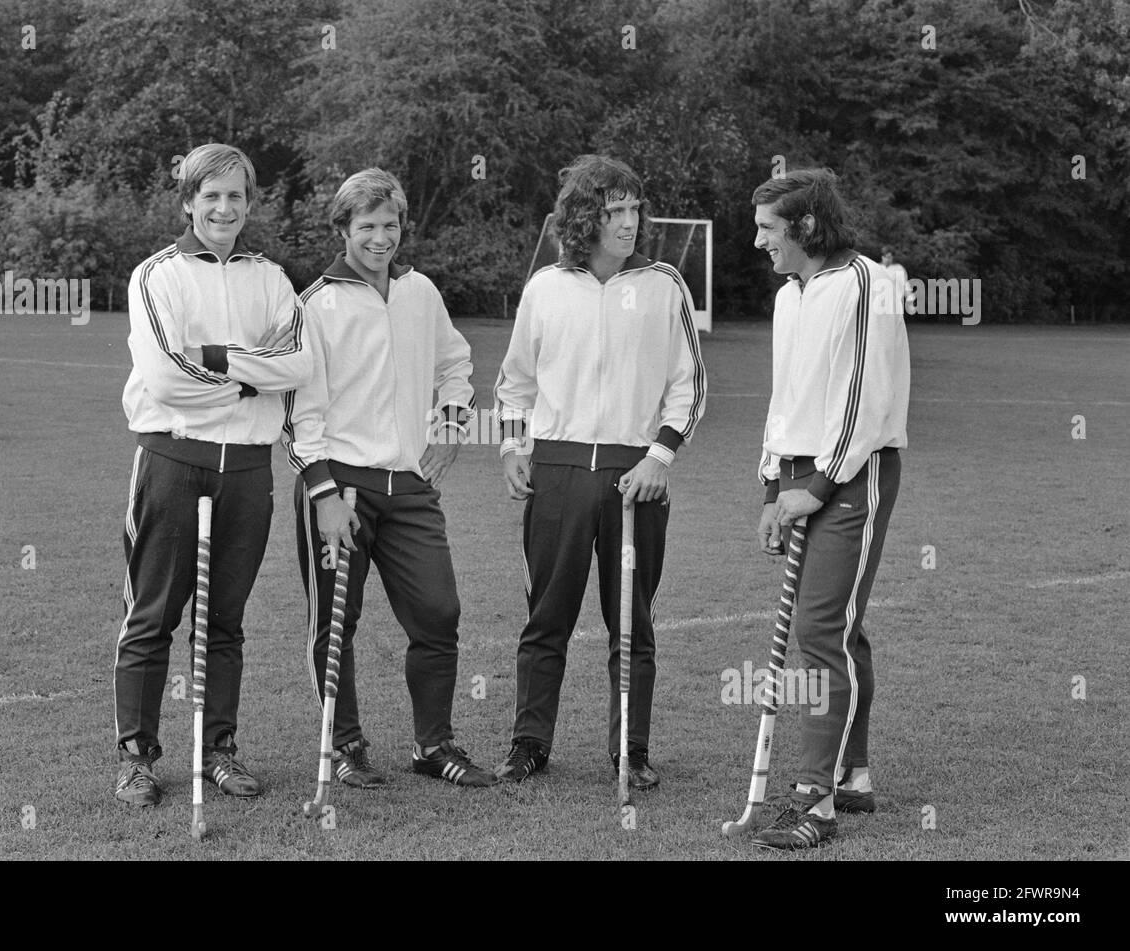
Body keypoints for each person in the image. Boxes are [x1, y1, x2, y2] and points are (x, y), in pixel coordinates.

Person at [491, 154, 706, 788]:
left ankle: (630, 752)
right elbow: (514, 383)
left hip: (634, 476)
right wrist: (511, 447)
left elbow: (687, 385)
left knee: (632, 620)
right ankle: (529, 745)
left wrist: (659, 456)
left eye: (634, 209)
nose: (629, 222)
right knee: (546, 616)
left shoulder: (665, 286)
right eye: (614, 211)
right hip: (557, 471)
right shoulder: (545, 288)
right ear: (584, 218)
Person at [112, 143, 313, 806]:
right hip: (175, 459)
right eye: (211, 195)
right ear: (190, 202)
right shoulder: (157, 275)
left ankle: (216, 750)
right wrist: (251, 381)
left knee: (223, 620)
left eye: (235, 196)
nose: (223, 207)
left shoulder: (271, 279)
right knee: (152, 614)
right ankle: (137, 757)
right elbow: (167, 380)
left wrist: (222, 362)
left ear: (248, 204)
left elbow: (301, 365)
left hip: (248, 471)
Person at [283, 167, 496, 789]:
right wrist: (322, 492)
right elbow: (301, 411)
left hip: (408, 486)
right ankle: (344, 745)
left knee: (438, 613)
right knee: (335, 623)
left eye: (391, 224)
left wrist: (453, 426)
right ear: (343, 230)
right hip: (338, 484)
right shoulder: (315, 305)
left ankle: (433, 746)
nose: (382, 237)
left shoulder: (420, 291)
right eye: (368, 226)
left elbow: (454, 361)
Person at [749, 168, 909, 849]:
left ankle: (815, 801)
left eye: (767, 229)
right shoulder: (791, 295)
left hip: (851, 475)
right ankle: (855, 772)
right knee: (841, 625)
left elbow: (864, 401)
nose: (759, 244)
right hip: (796, 475)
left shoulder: (872, 284)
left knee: (819, 631)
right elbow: (786, 395)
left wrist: (814, 487)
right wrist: (770, 487)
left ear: (807, 226)